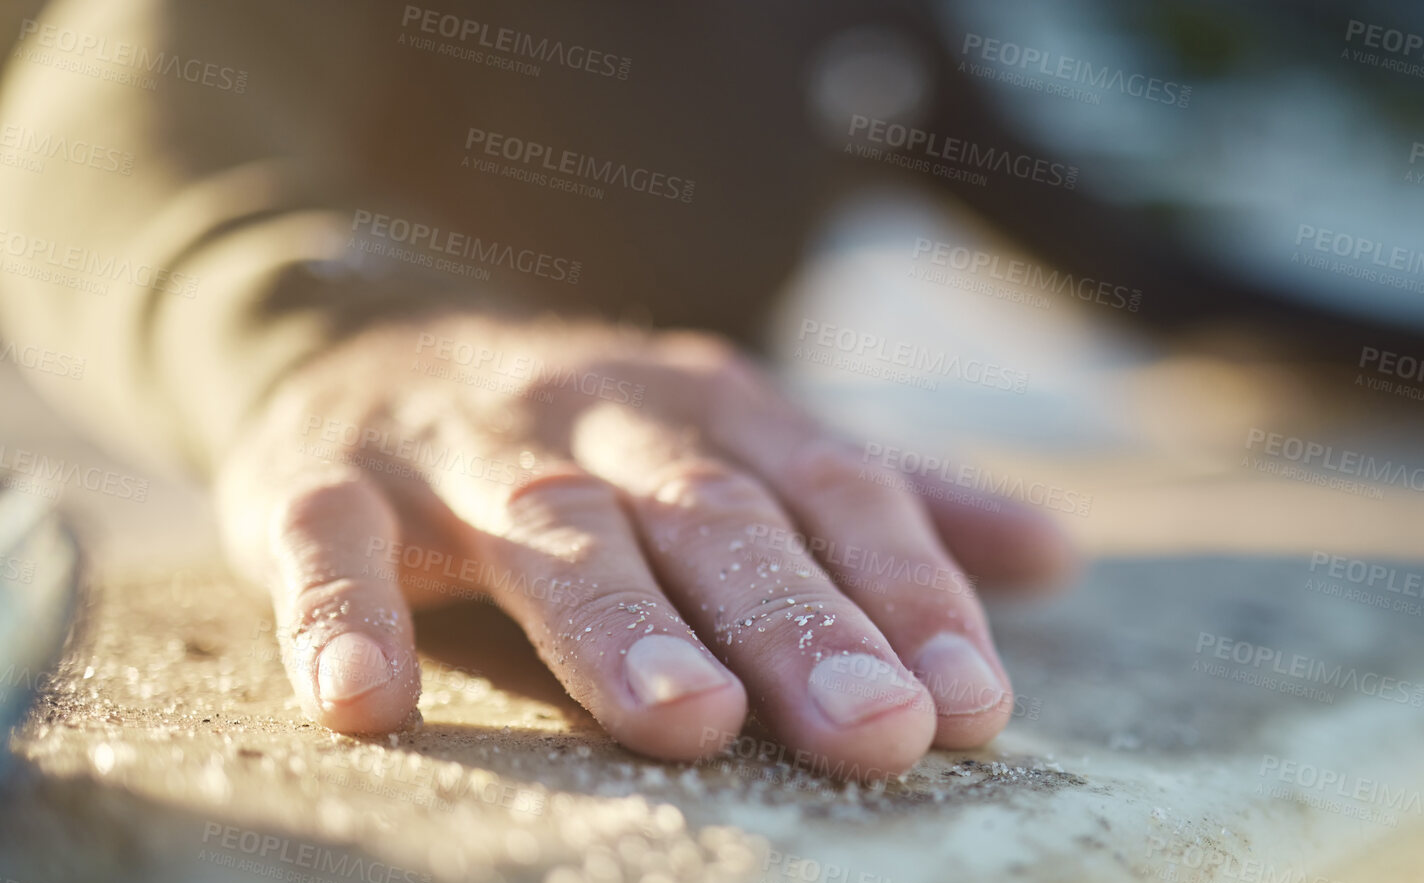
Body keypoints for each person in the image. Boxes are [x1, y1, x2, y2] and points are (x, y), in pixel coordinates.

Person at [0, 0, 1082, 775]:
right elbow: (99, 128)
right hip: (441, 498)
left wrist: (1246, 341)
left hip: (719, 491)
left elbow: (1078, 217)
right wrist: (346, 332)